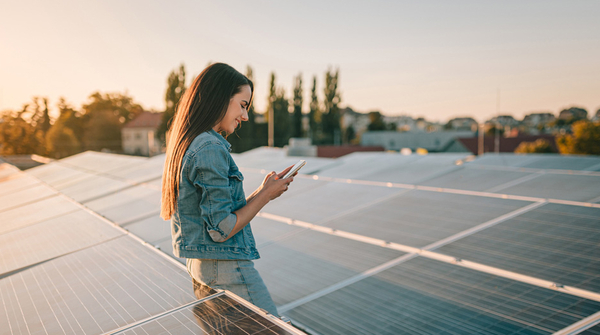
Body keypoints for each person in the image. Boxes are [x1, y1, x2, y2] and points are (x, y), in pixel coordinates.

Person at [161, 63, 294, 317]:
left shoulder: (189, 141)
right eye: (243, 105)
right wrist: (266, 196)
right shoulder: (209, 146)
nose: (245, 117)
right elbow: (222, 228)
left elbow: (217, 213)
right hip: (225, 268)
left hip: (203, 266)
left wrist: (263, 189)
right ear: (220, 97)